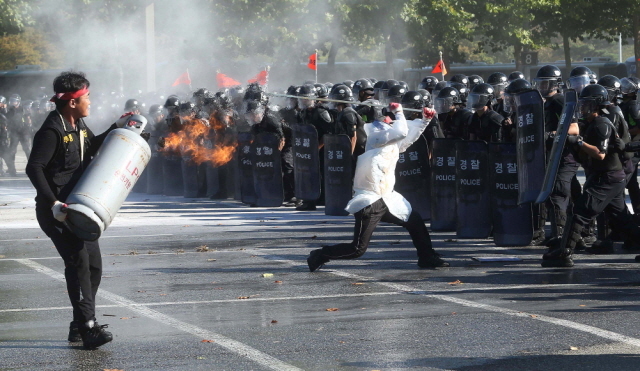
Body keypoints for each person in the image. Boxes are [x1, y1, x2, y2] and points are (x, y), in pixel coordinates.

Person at [25, 71, 132, 349]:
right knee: (79, 264)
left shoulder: (79, 125)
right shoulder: (53, 130)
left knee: (94, 266)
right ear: (72, 102)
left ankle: (78, 323)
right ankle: (88, 328)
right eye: (87, 97)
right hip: (57, 211)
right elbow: (33, 167)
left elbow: (91, 146)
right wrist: (53, 204)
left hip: (78, 210)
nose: (90, 101)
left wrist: (116, 126)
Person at [306, 103, 449, 271]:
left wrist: (425, 120)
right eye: (388, 118)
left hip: (388, 197)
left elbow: (408, 138)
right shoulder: (375, 137)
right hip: (370, 201)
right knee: (357, 249)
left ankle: (426, 257)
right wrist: (399, 111)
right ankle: (321, 254)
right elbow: (402, 132)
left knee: (415, 222)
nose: (391, 120)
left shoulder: (390, 141)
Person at [542, 84, 640, 267]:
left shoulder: (602, 124)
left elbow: (599, 154)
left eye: (587, 104)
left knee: (580, 212)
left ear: (596, 105)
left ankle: (564, 253)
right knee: (620, 218)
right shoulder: (590, 123)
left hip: (608, 177)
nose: (582, 108)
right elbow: (573, 131)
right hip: (607, 175)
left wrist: (578, 142)